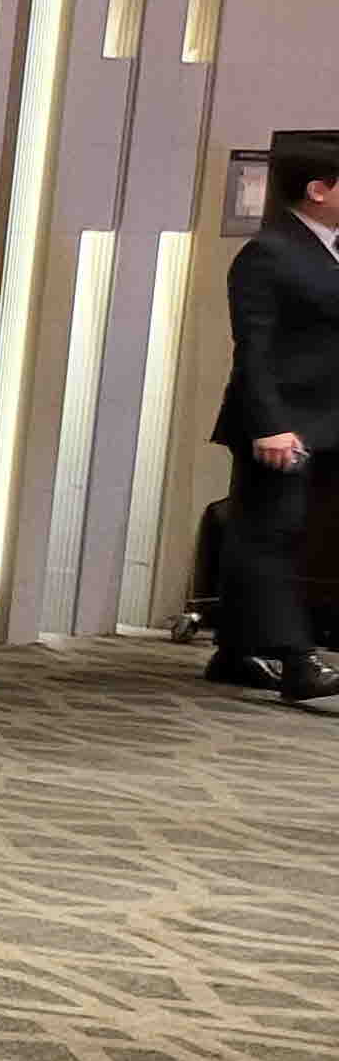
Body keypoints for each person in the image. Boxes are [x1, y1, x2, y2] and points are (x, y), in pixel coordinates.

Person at [211, 138, 339, 705]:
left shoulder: (329, 248)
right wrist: (269, 425)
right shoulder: (269, 252)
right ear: (318, 191)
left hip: (325, 419)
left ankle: (235, 653)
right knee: (270, 534)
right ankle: (296, 660)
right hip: (281, 421)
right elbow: (254, 349)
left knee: (271, 530)